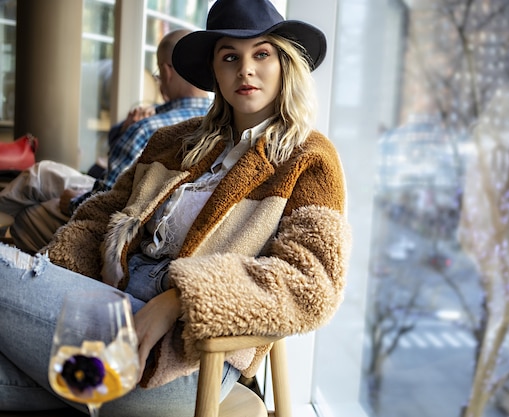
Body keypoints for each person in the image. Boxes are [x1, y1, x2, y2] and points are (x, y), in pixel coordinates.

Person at [0, 0, 350, 416]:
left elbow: (312, 282)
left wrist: (181, 298)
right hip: (105, 320)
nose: (246, 69)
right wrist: (54, 285)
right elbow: (100, 215)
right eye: (229, 57)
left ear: (284, 64)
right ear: (215, 72)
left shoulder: (309, 157)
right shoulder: (171, 141)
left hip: (186, 359)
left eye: (262, 54)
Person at [0, 28, 213, 254]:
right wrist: (124, 130)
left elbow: (109, 200)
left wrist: (76, 201)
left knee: (31, 205)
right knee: (41, 174)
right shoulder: (214, 125)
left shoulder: (148, 129)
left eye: (159, 74)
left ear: (168, 71)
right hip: (144, 224)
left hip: (111, 220)